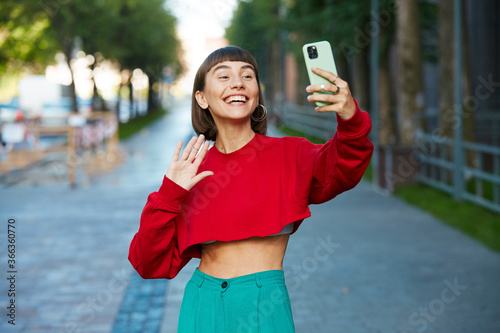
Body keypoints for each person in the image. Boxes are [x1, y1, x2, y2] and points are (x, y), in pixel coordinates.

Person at [128, 46, 373, 332]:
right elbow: (148, 262)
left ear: (256, 94)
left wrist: (350, 117)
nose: (238, 82)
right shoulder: (191, 172)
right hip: (202, 306)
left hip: (264, 306)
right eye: (223, 76)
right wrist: (170, 193)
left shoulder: (289, 154)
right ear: (202, 98)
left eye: (247, 75)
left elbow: (344, 166)